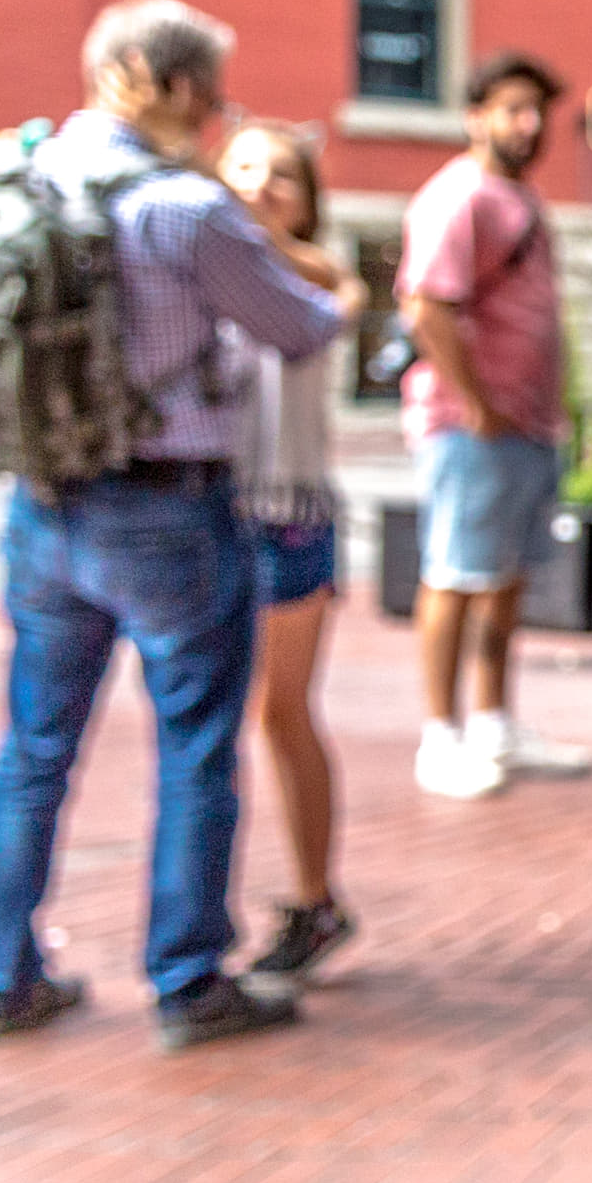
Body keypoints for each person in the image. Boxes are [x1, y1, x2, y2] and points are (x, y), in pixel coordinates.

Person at [0, 0, 344, 1047]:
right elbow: (301, 329)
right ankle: (187, 981)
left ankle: (1, 976)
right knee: (195, 745)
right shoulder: (185, 205)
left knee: (35, 746)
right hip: (168, 505)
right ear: (165, 84)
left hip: (44, 497)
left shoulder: (19, 171)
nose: (219, 117)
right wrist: (331, 282)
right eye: (211, 94)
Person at [399, 47, 592, 800]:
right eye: (512, 108)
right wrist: (475, 402)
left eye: (537, 110)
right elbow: (426, 306)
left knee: (504, 578)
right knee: (454, 574)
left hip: (526, 426)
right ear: (475, 117)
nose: (529, 123)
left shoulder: (524, 200)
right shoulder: (459, 197)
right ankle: (439, 734)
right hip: (470, 429)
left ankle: (492, 721)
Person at [219, 122, 368, 982]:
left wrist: (260, 237)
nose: (263, 183)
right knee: (220, 722)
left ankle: (316, 896)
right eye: (244, 167)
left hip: (291, 519)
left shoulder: (318, 279)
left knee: (282, 711)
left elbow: (338, 295)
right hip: (215, 515)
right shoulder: (199, 267)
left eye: (282, 173)